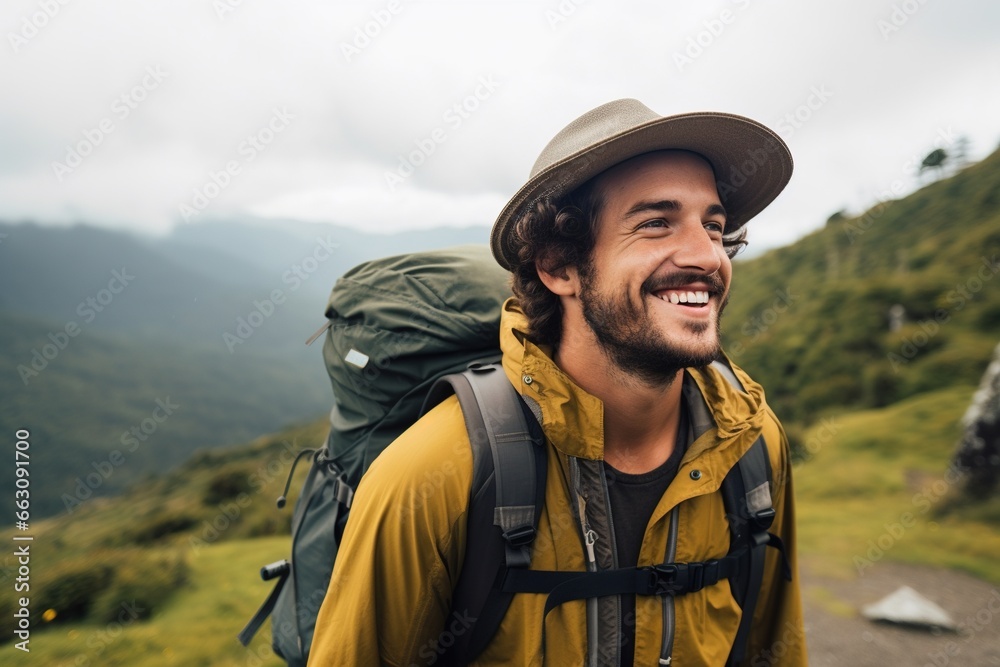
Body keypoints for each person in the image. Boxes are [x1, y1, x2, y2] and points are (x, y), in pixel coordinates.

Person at [308, 99, 806, 666]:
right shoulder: (434, 474)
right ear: (559, 267)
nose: (706, 255)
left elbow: (776, 648)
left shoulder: (751, 444)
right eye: (655, 224)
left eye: (714, 227)